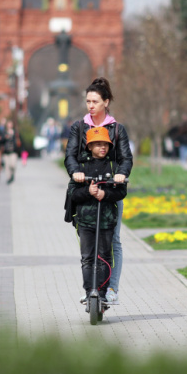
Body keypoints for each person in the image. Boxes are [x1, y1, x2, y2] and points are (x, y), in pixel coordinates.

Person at [65, 77, 133, 305]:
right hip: (84, 190)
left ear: (106, 102)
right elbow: (70, 156)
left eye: (95, 101)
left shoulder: (116, 130)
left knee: (113, 240)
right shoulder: (79, 127)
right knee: (87, 244)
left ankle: (111, 289)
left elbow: (126, 159)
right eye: (88, 101)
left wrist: (121, 174)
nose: (90, 105)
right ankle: (90, 288)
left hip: (109, 190)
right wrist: (75, 172)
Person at [68, 127, 127, 305]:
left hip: (107, 221)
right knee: (87, 258)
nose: (103, 148)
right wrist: (87, 190)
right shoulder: (81, 167)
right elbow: (73, 193)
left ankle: (102, 292)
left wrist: (106, 194)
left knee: (104, 257)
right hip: (86, 220)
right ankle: (89, 292)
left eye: (106, 145)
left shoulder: (112, 166)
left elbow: (121, 191)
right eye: (98, 144)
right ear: (89, 146)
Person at [0, 119, 21, 184]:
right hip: (6, 151)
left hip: (13, 151)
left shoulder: (15, 132)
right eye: (8, 124)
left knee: (13, 165)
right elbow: (0, 141)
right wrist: (5, 137)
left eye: (10, 124)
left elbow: (19, 141)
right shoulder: (4, 132)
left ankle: (12, 174)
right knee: (7, 166)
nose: (9, 125)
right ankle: (9, 178)